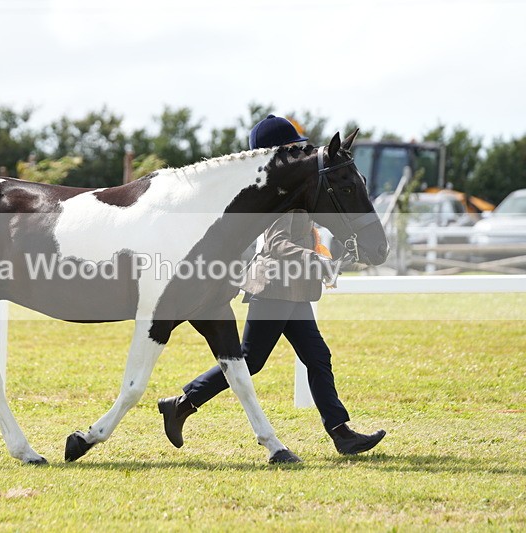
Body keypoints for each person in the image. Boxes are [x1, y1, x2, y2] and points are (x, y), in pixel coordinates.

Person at [157, 115, 386, 456]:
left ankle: (341, 433)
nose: (300, 151)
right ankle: (182, 403)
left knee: (317, 356)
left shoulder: (298, 185)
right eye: (294, 146)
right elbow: (276, 244)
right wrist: (316, 261)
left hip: (294, 289)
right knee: (250, 359)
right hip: (275, 285)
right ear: (278, 152)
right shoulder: (279, 192)